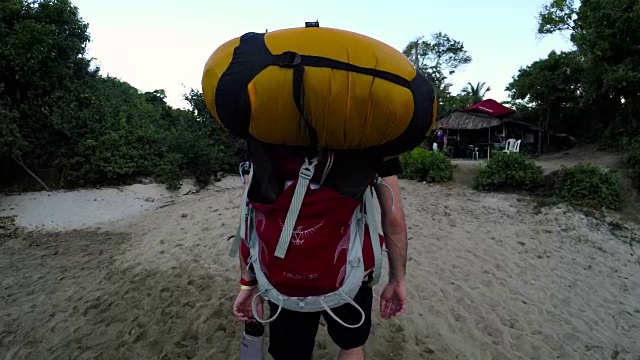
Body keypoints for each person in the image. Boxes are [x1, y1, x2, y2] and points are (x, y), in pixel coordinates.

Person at [232, 152, 408, 360]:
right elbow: (393, 218)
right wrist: (397, 280)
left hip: (283, 277)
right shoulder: (371, 136)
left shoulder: (266, 132)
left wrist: (248, 283)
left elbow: (249, 218)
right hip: (349, 272)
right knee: (351, 346)